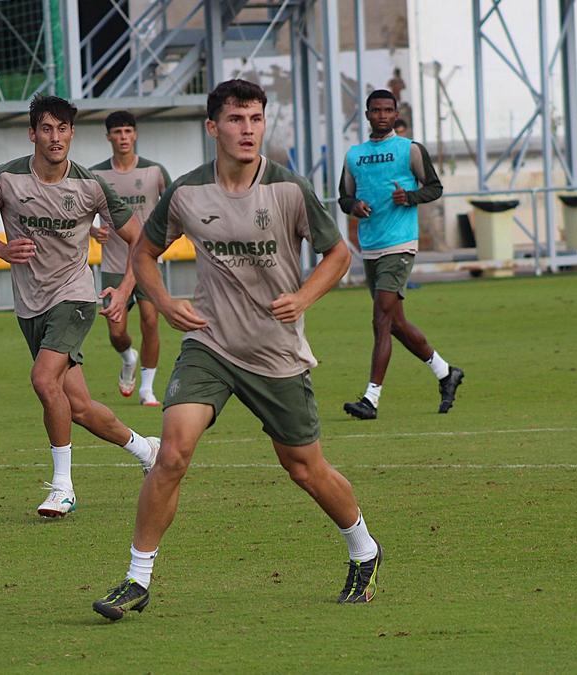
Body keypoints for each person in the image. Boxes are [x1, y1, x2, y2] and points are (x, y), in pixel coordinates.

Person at [91, 79, 383, 621]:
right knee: (173, 453)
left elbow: (338, 255)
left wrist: (302, 297)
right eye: (235, 119)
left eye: (255, 119)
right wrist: (165, 301)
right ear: (213, 127)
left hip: (275, 353)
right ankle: (137, 578)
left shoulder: (289, 190)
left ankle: (364, 548)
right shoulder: (185, 192)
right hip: (210, 343)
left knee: (304, 468)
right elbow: (145, 254)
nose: (247, 130)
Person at [0, 94, 160, 518]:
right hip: (29, 304)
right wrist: (2, 249)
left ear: (72, 133)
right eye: (47, 129)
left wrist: (125, 289)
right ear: (33, 133)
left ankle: (63, 487)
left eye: (63, 129)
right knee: (81, 407)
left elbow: (140, 242)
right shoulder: (6, 179)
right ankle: (147, 450)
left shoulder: (91, 185)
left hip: (74, 295)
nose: (56, 137)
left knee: (41, 379)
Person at [338, 89, 463, 419]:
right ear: (366, 115)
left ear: (396, 114)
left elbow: (434, 187)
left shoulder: (410, 150)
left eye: (388, 110)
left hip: (401, 244)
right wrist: (355, 206)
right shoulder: (354, 156)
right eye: (376, 110)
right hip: (371, 247)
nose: (382, 115)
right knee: (394, 323)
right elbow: (343, 198)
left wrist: (409, 197)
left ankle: (371, 399)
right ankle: (445, 372)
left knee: (380, 318)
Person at [89, 111, 172, 407]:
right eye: (117, 132)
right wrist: (91, 229)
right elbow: (77, 213)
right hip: (113, 264)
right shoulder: (96, 175)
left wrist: (165, 235)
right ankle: (128, 358)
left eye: (128, 131)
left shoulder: (154, 172)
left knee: (151, 320)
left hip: (147, 262)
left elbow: (174, 207)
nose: (123, 137)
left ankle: (147, 389)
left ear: (135, 135)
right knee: (116, 331)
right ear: (108, 136)